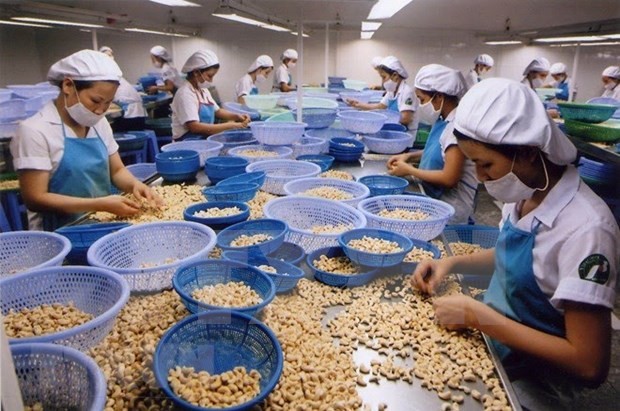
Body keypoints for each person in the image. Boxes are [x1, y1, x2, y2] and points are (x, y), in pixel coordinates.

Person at [412, 78, 619, 411]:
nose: (479, 177)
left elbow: (589, 364)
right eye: (474, 164)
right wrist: (450, 264)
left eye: (486, 164)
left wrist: (478, 317)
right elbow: (515, 257)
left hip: (536, 385)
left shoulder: (586, 229)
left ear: (526, 152)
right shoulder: (523, 191)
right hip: (496, 352)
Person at [10, 49, 160, 231]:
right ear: (68, 86)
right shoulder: (35, 130)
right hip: (57, 235)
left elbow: (117, 170)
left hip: (100, 224)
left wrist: (135, 185)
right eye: (96, 101)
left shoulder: (99, 123)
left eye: (108, 103)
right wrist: (98, 204)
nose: (100, 110)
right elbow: (35, 198)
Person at [387, 64, 477, 224]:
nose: (420, 105)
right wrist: (409, 156)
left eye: (422, 99)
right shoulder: (442, 119)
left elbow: (449, 178)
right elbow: (440, 150)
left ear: (439, 97)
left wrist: (409, 170)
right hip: (435, 200)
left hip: (451, 211)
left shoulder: (457, 127)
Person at [171, 50, 250, 141]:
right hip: (186, 143)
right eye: (209, 76)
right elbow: (194, 127)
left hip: (203, 139)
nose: (211, 81)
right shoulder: (185, 94)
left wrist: (237, 116)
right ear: (196, 72)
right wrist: (230, 125)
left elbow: (217, 111)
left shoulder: (203, 90)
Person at [347, 56, 419, 133]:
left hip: (404, 134)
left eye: (384, 77)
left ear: (395, 75)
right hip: (393, 130)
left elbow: (405, 119)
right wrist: (358, 105)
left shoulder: (407, 92)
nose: (383, 81)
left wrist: (383, 118)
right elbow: (380, 106)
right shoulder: (392, 91)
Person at [99, 46, 147, 131]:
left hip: (130, 115)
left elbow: (106, 95)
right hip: (136, 113)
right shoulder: (114, 74)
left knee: (112, 131)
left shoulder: (110, 75)